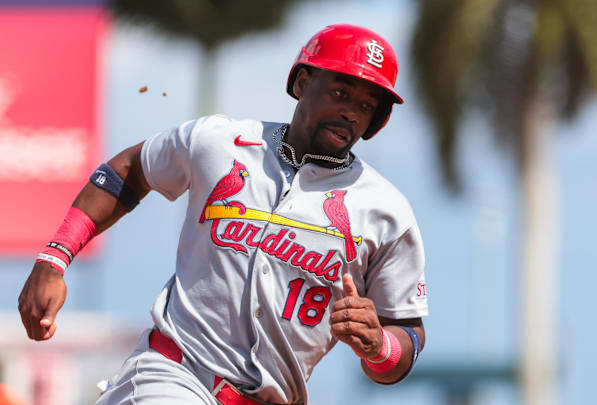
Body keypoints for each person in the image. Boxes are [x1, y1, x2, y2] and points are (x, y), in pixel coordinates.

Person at [18, 24, 428, 405]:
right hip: (174, 375)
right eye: (341, 92)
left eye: (366, 104)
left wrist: (379, 345)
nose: (352, 112)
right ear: (302, 82)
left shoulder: (385, 212)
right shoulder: (220, 143)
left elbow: (407, 333)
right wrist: (54, 258)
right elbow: (130, 170)